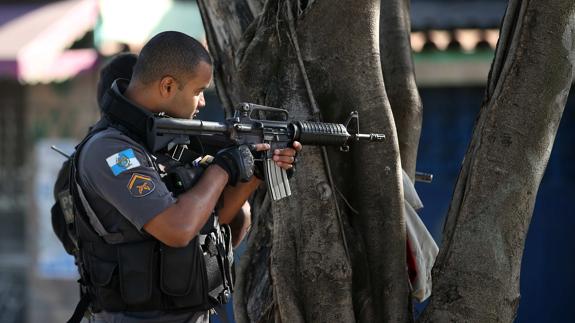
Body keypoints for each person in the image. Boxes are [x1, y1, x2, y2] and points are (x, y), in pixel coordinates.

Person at [70, 31, 301, 323]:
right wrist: (222, 169)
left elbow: (218, 222)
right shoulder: (111, 151)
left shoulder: (166, 143)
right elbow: (177, 229)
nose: (202, 102)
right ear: (167, 85)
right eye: (198, 91)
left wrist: (254, 173)